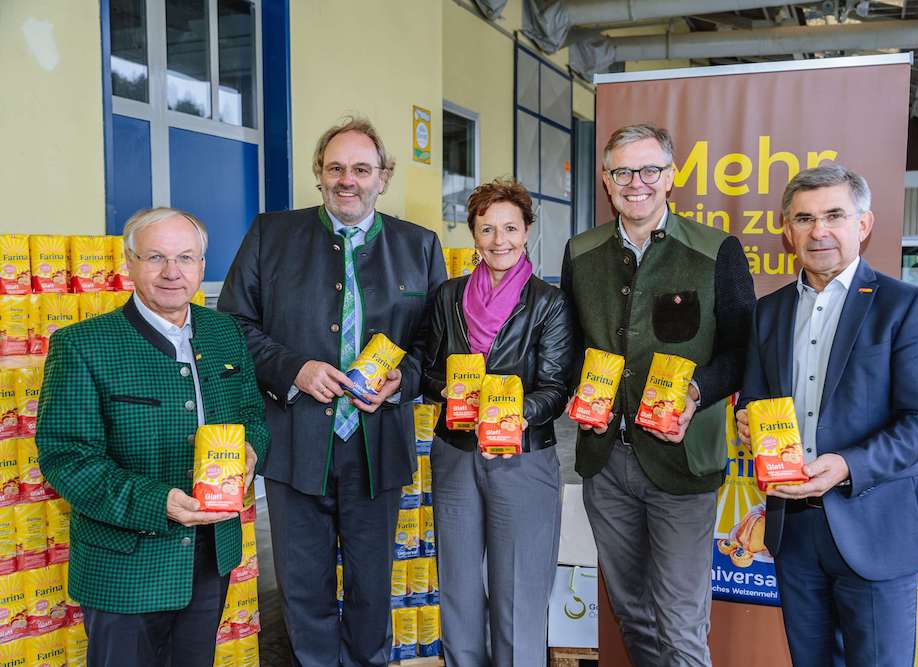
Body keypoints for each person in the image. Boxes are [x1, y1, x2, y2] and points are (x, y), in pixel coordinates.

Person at [218, 116, 447, 667]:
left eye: (362, 169)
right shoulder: (271, 235)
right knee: (304, 586)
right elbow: (233, 326)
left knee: (372, 587)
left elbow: (435, 345)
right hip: (297, 441)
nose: (349, 180)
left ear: (384, 177)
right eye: (336, 168)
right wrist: (292, 368)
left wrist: (403, 381)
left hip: (378, 444)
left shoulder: (419, 246)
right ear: (319, 174)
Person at [736, 164, 918, 667]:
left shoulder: (906, 306)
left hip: (876, 526)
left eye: (834, 215)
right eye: (804, 219)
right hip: (795, 533)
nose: (819, 230)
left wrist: (847, 465)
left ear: (863, 224)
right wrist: (749, 423)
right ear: (787, 232)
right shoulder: (769, 312)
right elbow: (756, 399)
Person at [36, 207, 269, 667]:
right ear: (129, 262)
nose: (171, 272)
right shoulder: (83, 344)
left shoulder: (224, 333)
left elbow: (251, 414)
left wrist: (250, 450)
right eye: (155, 257)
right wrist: (156, 501)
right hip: (125, 565)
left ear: (202, 266)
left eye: (185, 258)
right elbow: (67, 458)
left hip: (209, 556)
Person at [560, 124, 755, 667]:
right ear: (605, 180)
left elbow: (743, 352)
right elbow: (573, 345)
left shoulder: (717, 252)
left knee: (680, 620)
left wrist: (698, 389)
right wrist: (582, 392)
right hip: (606, 462)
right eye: (622, 171)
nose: (636, 182)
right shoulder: (581, 252)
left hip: (682, 464)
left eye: (650, 170)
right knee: (631, 611)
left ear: (671, 177)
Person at [421, 178, 573, 666]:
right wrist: (443, 388)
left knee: (519, 593)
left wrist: (510, 411)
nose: (499, 240)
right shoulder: (448, 295)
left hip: (522, 459)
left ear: (528, 230)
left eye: (510, 227)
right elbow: (427, 368)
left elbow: (555, 390)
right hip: (455, 452)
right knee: (459, 588)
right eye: (487, 229)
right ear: (473, 234)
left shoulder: (548, 302)